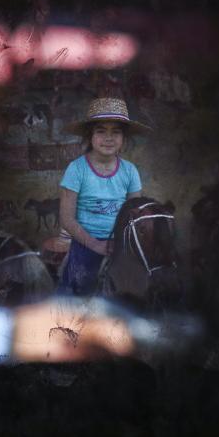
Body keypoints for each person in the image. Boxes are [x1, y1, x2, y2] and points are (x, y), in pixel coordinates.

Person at [57, 97, 149, 295]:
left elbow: (135, 214)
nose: (109, 138)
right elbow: (66, 218)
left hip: (122, 243)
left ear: (124, 139)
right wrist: (95, 244)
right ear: (90, 136)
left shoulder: (130, 170)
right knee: (78, 293)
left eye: (116, 132)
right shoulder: (77, 169)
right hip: (85, 243)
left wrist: (123, 243)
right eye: (101, 131)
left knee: (138, 289)